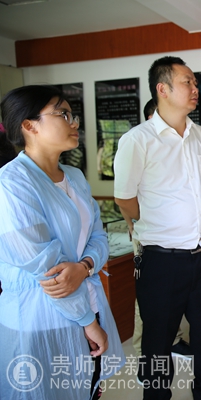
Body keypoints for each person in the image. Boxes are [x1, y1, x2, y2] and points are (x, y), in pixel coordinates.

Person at [114, 56, 201, 400]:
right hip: (161, 259)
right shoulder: (138, 140)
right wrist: (152, 222)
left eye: (195, 82)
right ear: (162, 89)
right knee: (157, 338)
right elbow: (125, 199)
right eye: (187, 82)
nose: (195, 88)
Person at [0, 85, 125, 400]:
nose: (74, 123)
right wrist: (87, 322)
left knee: (87, 387)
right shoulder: (11, 183)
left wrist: (85, 267)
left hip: (88, 302)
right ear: (29, 125)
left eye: (73, 115)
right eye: (63, 114)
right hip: (41, 316)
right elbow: (47, 268)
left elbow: (98, 236)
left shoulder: (75, 176)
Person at [129, 98, 192, 359]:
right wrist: (137, 224)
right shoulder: (137, 144)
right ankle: (142, 349)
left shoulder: (179, 145)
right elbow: (125, 196)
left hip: (177, 238)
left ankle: (173, 339)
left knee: (174, 291)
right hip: (149, 236)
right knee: (149, 296)